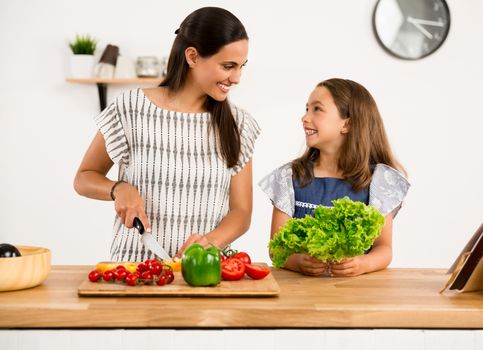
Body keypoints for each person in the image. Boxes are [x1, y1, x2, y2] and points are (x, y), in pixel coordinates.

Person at [74, 7, 260, 262]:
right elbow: (84, 178)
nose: (236, 77)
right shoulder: (131, 108)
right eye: (228, 66)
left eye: (241, 67)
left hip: (203, 275)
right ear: (192, 57)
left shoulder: (239, 124)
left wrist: (210, 243)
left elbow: (241, 212)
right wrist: (119, 188)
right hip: (135, 271)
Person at [259, 78, 409, 277]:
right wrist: (298, 262)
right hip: (301, 293)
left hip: (355, 294)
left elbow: (384, 249)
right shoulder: (289, 177)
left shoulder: (378, 181)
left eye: (317, 109)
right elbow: (276, 248)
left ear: (347, 124)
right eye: (306, 109)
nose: (304, 117)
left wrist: (362, 264)